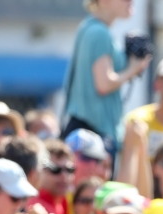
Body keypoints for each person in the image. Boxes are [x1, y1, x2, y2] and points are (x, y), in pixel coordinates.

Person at [63, 0, 151, 154]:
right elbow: (104, 84)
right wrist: (133, 68)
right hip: (94, 135)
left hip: (86, 131)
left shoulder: (89, 27)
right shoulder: (99, 32)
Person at [28, 139, 75, 214]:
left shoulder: (63, 201)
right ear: (41, 171)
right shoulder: (33, 205)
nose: (64, 175)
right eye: (56, 170)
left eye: (69, 170)